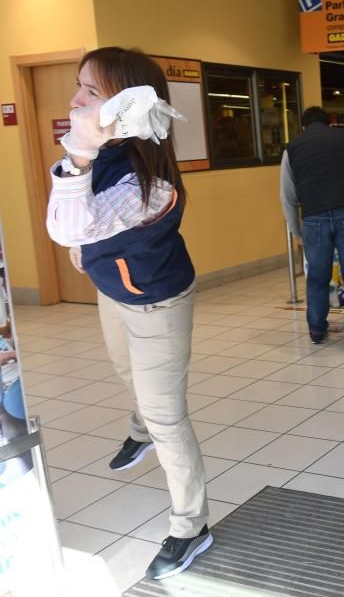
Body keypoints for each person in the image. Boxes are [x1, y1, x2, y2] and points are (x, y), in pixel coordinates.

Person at [45, 47, 212, 580]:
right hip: (113, 292)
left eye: (90, 92)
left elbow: (70, 228)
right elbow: (78, 230)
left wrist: (76, 155)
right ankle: (140, 426)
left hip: (157, 303)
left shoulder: (150, 180)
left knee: (168, 416)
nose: (74, 101)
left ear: (124, 104)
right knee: (126, 374)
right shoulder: (106, 148)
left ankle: (192, 527)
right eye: (79, 87)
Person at [280, 106, 344, 347]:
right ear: (329, 123)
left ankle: (316, 330)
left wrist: (296, 231)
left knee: (317, 276)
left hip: (313, 218)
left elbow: (288, 195)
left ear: (303, 127)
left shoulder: (292, 148)